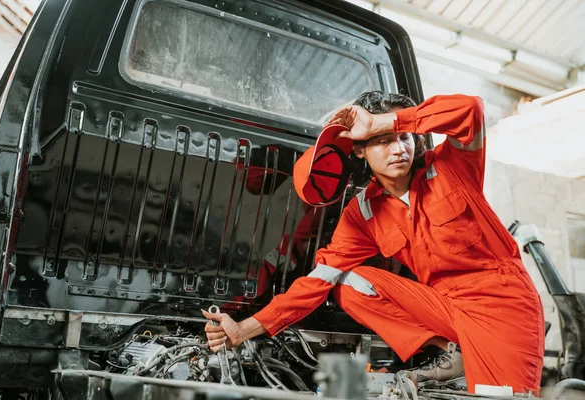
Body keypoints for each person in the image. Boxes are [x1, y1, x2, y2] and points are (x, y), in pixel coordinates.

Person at [203, 92, 545, 395]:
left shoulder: (452, 167)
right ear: (361, 150)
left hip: (502, 304)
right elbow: (317, 281)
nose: (399, 149)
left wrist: (384, 122)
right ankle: (449, 350)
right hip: (443, 306)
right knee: (348, 282)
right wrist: (242, 329)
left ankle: (467, 359)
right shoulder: (363, 212)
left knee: (496, 397)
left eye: (405, 137)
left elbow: (471, 109)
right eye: (383, 140)